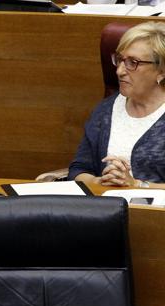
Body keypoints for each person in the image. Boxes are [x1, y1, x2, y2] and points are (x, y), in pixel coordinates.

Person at [68, 21, 165, 188]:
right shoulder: (106, 109)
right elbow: (79, 170)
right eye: (120, 60)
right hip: (106, 210)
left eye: (133, 62)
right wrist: (98, 181)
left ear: (161, 71)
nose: (120, 71)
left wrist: (136, 185)